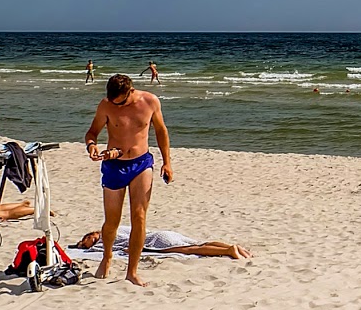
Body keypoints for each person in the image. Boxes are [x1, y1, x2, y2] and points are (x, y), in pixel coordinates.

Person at [85, 73, 174, 285]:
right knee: (112, 221)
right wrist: (91, 146)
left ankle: (132, 271)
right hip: (114, 165)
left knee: (139, 217)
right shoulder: (106, 106)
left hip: (142, 163)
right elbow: (92, 132)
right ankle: (107, 256)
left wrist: (167, 162)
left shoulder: (150, 101)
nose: (118, 106)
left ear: (130, 91)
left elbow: (161, 132)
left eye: (121, 101)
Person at [75, 228, 251, 260]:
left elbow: (101, 248)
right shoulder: (119, 227)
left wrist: (82, 246)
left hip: (155, 241)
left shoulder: (106, 236)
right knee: (197, 243)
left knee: (191, 250)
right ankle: (233, 247)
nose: (86, 244)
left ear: (93, 234)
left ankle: (229, 250)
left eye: (86, 240)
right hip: (161, 234)